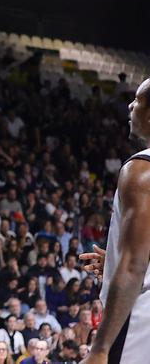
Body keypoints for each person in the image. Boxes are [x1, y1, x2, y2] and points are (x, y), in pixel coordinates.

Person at [81, 79, 150, 364]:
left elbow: (133, 265)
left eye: (138, 100)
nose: (131, 106)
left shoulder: (142, 169)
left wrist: (99, 348)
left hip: (140, 321)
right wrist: (113, 262)